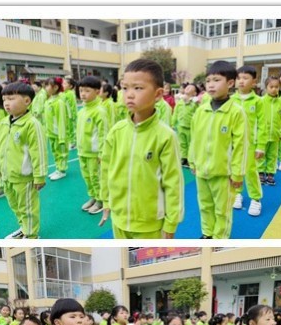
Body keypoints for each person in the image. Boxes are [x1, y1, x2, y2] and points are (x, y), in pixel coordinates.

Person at [98, 59, 184, 239]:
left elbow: (173, 183)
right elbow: (106, 169)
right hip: (119, 219)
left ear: (158, 94)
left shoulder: (165, 136)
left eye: (137, 88)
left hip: (150, 225)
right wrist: (106, 200)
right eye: (125, 88)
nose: (129, 94)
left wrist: (171, 222)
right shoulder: (117, 131)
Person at [189, 60, 248, 239]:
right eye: (208, 81)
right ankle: (207, 233)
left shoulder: (236, 112)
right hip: (201, 171)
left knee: (223, 210)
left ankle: (220, 238)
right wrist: (192, 161)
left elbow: (241, 146)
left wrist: (237, 173)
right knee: (205, 206)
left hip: (224, 174)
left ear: (230, 83)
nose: (211, 85)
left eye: (216, 80)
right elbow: (195, 138)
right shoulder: (201, 110)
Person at [0, 81, 47, 240]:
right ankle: (24, 227)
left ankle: (31, 235)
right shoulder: (4, 122)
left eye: (11, 99)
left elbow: (38, 151)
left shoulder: (32, 124)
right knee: (15, 205)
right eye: (4, 100)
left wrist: (39, 175)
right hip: (7, 175)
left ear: (27, 101)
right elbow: (1, 146)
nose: (6, 103)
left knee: (28, 207)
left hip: (24, 177)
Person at [231, 65, 266, 216]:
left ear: (254, 82)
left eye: (245, 78)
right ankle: (237, 193)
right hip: (233, 144)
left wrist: (261, 146)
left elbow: (263, 125)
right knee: (235, 170)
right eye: (239, 78)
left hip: (251, 144)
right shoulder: (231, 99)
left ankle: (256, 198)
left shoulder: (258, 101)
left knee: (251, 171)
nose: (241, 81)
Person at [76, 76, 110, 216]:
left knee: (96, 177)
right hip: (83, 152)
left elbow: (103, 134)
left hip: (95, 153)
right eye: (81, 90)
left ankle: (101, 200)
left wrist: (102, 153)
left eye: (87, 91)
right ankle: (93, 197)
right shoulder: (82, 110)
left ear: (97, 91)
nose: (83, 94)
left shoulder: (99, 111)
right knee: (87, 177)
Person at [260, 76, 281, 186]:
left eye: (276, 87)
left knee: (273, 156)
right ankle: (261, 172)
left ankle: (271, 173)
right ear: (266, 87)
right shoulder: (261, 101)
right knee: (261, 155)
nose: (274, 89)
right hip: (262, 135)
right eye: (271, 86)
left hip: (275, 135)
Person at [43, 77, 69, 181]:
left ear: (55, 87)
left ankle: (62, 170)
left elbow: (61, 120)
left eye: (48, 85)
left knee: (61, 152)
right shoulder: (48, 101)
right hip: (51, 133)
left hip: (58, 133)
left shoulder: (59, 102)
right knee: (54, 152)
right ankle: (58, 168)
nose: (45, 88)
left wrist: (62, 136)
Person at [172, 83, 199, 167]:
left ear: (194, 93)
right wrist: (172, 123)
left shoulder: (195, 103)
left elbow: (199, 114)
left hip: (191, 127)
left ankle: (190, 159)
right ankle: (183, 158)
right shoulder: (180, 102)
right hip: (180, 126)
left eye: (191, 88)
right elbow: (175, 113)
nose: (188, 88)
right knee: (182, 143)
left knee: (191, 144)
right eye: (187, 87)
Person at [62, 77, 78, 149]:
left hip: (70, 115)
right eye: (63, 83)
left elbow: (72, 106)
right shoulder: (64, 93)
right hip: (66, 115)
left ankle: (73, 143)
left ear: (70, 86)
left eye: (65, 84)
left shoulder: (70, 94)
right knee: (68, 129)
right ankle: (70, 142)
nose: (63, 85)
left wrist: (72, 115)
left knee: (72, 129)